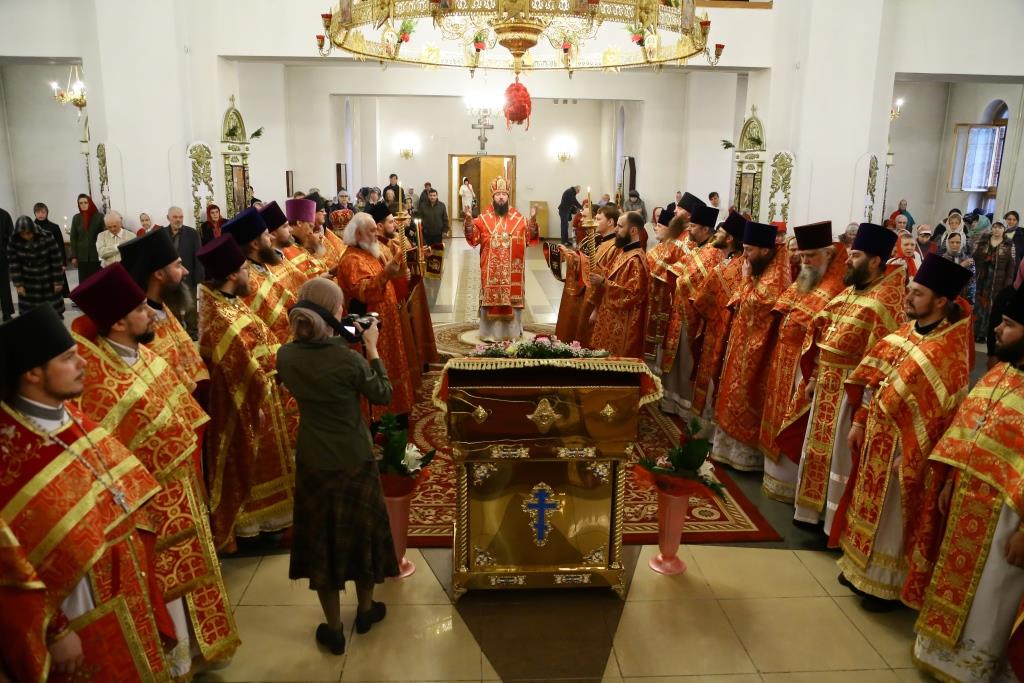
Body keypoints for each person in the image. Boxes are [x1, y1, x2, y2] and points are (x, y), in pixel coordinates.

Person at [68, 264, 240, 674]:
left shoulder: (143, 353)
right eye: (141, 310)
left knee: (193, 573)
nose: (152, 315)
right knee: (164, 586)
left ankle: (198, 650)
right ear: (119, 322)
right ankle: (175, 664)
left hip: (182, 491)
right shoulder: (96, 382)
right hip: (148, 507)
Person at [0, 305, 174, 682]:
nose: (83, 362)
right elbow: (9, 572)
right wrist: (56, 631)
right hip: (77, 608)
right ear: (32, 373)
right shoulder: (9, 454)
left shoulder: (69, 415)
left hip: (124, 582)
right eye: (67, 358)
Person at [833, 254, 973, 614]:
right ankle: (857, 568)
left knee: (892, 519)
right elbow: (873, 381)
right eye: (909, 289)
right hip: (876, 438)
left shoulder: (948, 351)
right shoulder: (906, 331)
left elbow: (946, 419)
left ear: (941, 302)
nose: (908, 297)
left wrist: (913, 456)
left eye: (918, 293)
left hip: (906, 450)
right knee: (866, 504)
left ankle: (885, 585)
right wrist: (860, 422)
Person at [903, 285, 1024, 681]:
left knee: (992, 593)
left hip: (1007, 517)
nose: (998, 331)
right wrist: (950, 482)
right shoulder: (1000, 373)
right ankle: (939, 653)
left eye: (1009, 324)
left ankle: (974, 668)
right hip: (967, 501)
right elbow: (966, 433)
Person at [276, 278, 397, 655]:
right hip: (353, 457)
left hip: (313, 458)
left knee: (321, 542)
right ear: (332, 313)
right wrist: (371, 346)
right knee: (361, 533)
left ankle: (332, 628)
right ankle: (365, 610)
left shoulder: (285, 355)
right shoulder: (349, 360)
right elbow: (383, 393)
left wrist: (340, 334)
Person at [788, 223, 905, 534]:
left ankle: (832, 523)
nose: (848, 260)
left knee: (840, 459)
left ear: (875, 261)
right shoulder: (851, 291)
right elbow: (824, 335)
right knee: (818, 453)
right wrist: (813, 377)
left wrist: (862, 415)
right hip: (826, 386)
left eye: (855, 255)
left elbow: (882, 366)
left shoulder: (884, 303)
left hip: (850, 394)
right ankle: (811, 513)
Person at [196, 234, 295, 550]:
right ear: (230, 274)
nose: (248, 276)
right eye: (243, 270)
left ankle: (273, 522)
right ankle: (251, 527)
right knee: (251, 465)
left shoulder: (231, 301)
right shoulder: (218, 315)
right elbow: (236, 365)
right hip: (246, 402)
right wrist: (265, 383)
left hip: (266, 393)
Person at [759, 222, 847, 501]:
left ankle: (789, 483)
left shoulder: (834, 288)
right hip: (784, 359)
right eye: (803, 255)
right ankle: (771, 477)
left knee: (795, 421)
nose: (805, 261)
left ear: (828, 254)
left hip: (804, 365)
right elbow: (783, 305)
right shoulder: (805, 280)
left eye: (811, 256)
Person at [712, 220, 792, 472]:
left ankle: (744, 457)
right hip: (742, 343)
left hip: (758, 351)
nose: (744, 255)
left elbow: (752, 305)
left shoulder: (776, 275)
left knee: (746, 394)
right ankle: (726, 450)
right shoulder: (760, 266)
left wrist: (746, 279)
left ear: (765, 250)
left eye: (749, 250)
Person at [337, 212, 414, 419]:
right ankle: (378, 418)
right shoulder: (352, 260)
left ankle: (395, 410)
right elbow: (364, 292)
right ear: (358, 234)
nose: (375, 234)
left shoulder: (368, 253)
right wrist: (387, 273)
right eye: (371, 231)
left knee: (392, 365)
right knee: (376, 370)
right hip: (368, 330)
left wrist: (394, 273)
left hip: (385, 326)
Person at [118, 227, 210, 394]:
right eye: (178, 265)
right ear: (159, 274)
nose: (186, 271)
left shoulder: (164, 308)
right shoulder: (139, 326)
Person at [658, 208, 722, 416]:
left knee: (687, 360)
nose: (689, 229)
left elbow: (692, 280)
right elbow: (680, 268)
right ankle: (672, 400)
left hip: (693, 316)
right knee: (676, 359)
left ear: (705, 229)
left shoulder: (712, 252)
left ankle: (685, 405)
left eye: (693, 226)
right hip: (680, 311)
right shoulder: (698, 248)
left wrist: (680, 279)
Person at [690, 212, 747, 419]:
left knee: (712, 376)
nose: (716, 236)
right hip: (730, 333)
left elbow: (700, 300)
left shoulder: (725, 268)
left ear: (729, 239)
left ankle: (705, 423)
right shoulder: (741, 265)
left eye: (720, 232)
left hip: (716, 330)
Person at [465, 176, 536, 342]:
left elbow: (529, 237)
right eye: (498, 194)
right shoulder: (483, 218)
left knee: (512, 300)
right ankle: (488, 333)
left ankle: (512, 333)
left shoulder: (519, 219)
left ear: (508, 196)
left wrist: (532, 221)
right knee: (490, 299)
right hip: (491, 271)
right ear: (493, 197)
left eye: (504, 194)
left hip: (511, 271)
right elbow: (473, 238)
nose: (501, 197)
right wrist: (468, 221)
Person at [223, 207, 297, 344]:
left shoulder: (263, 265)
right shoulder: (248, 280)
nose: (271, 238)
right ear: (255, 244)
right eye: (267, 235)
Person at [554, 204, 619, 344]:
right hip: (590, 293)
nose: (594, 222)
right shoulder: (603, 241)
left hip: (596, 297)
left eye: (598, 219)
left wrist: (573, 257)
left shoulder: (612, 245)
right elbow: (589, 263)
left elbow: (597, 269)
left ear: (610, 222)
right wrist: (572, 256)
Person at [588, 211, 649, 358]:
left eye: (620, 226)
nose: (615, 229)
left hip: (624, 326)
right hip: (611, 319)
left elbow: (632, 294)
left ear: (633, 231)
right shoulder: (624, 252)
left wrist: (603, 282)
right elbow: (614, 275)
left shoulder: (636, 259)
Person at [7, 215, 65, 316]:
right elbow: (14, 264)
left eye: (29, 233)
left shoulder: (47, 236)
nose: (26, 236)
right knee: (31, 314)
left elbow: (56, 260)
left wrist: (58, 282)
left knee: (53, 313)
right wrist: (19, 285)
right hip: (28, 283)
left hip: (48, 279)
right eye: (23, 234)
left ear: (33, 230)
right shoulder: (14, 241)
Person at [973, 220, 1016, 344]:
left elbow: (1011, 267)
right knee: (978, 306)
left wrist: (1007, 286)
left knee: (991, 308)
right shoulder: (983, 241)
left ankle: (984, 334)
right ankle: (974, 331)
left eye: (1000, 227)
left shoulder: (1009, 244)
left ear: (1004, 229)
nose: (997, 229)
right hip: (981, 279)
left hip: (997, 281)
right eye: (995, 227)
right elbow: (974, 258)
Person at [165, 206, 202, 338]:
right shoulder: (162, 234)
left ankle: (192, 331)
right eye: (175, 217)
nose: (178, 220)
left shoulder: (192, 233)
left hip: (189, 276)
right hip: (169, 278)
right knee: (172, 306)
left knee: (191, 306)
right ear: (168, 218)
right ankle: (178, 332)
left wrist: (199, 278)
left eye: (181, 217)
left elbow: (198, 256)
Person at [32, 202, 68, 297]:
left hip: (53, 261)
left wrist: (63, 263)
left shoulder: (54, 227)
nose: (41, 214)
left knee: (56, 288)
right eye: (38, 212)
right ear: (35, 213)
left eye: (43, 212)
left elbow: (60, 245)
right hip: (36, 262)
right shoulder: (30, 227)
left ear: (47, 213)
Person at [69, 193, 104, 282]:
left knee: (98, 280)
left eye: (85, 202)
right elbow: (73, 238)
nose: (83, 205)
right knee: (84, 282)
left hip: (96, 255)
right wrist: (74, 256)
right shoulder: (76, 218)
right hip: (82, 257)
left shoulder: (99, 217)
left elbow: (104, 235)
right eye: (80, 203)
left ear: (90, 203)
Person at [940, 230, 975, 304]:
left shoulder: (968, 260)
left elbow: (972, 282)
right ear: (947, 243)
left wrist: (971, 300)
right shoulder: (942, 259)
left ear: (962, 243)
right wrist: (961, 266)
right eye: (952, 242)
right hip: (946, 298)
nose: (955, 245)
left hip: (963, 297)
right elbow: (944, 280)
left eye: (958, 242)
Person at [0, 206, 11, 320]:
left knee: (4, 287)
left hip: (2, 258)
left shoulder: (4, 215)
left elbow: (11, 236)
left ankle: (7, 313)